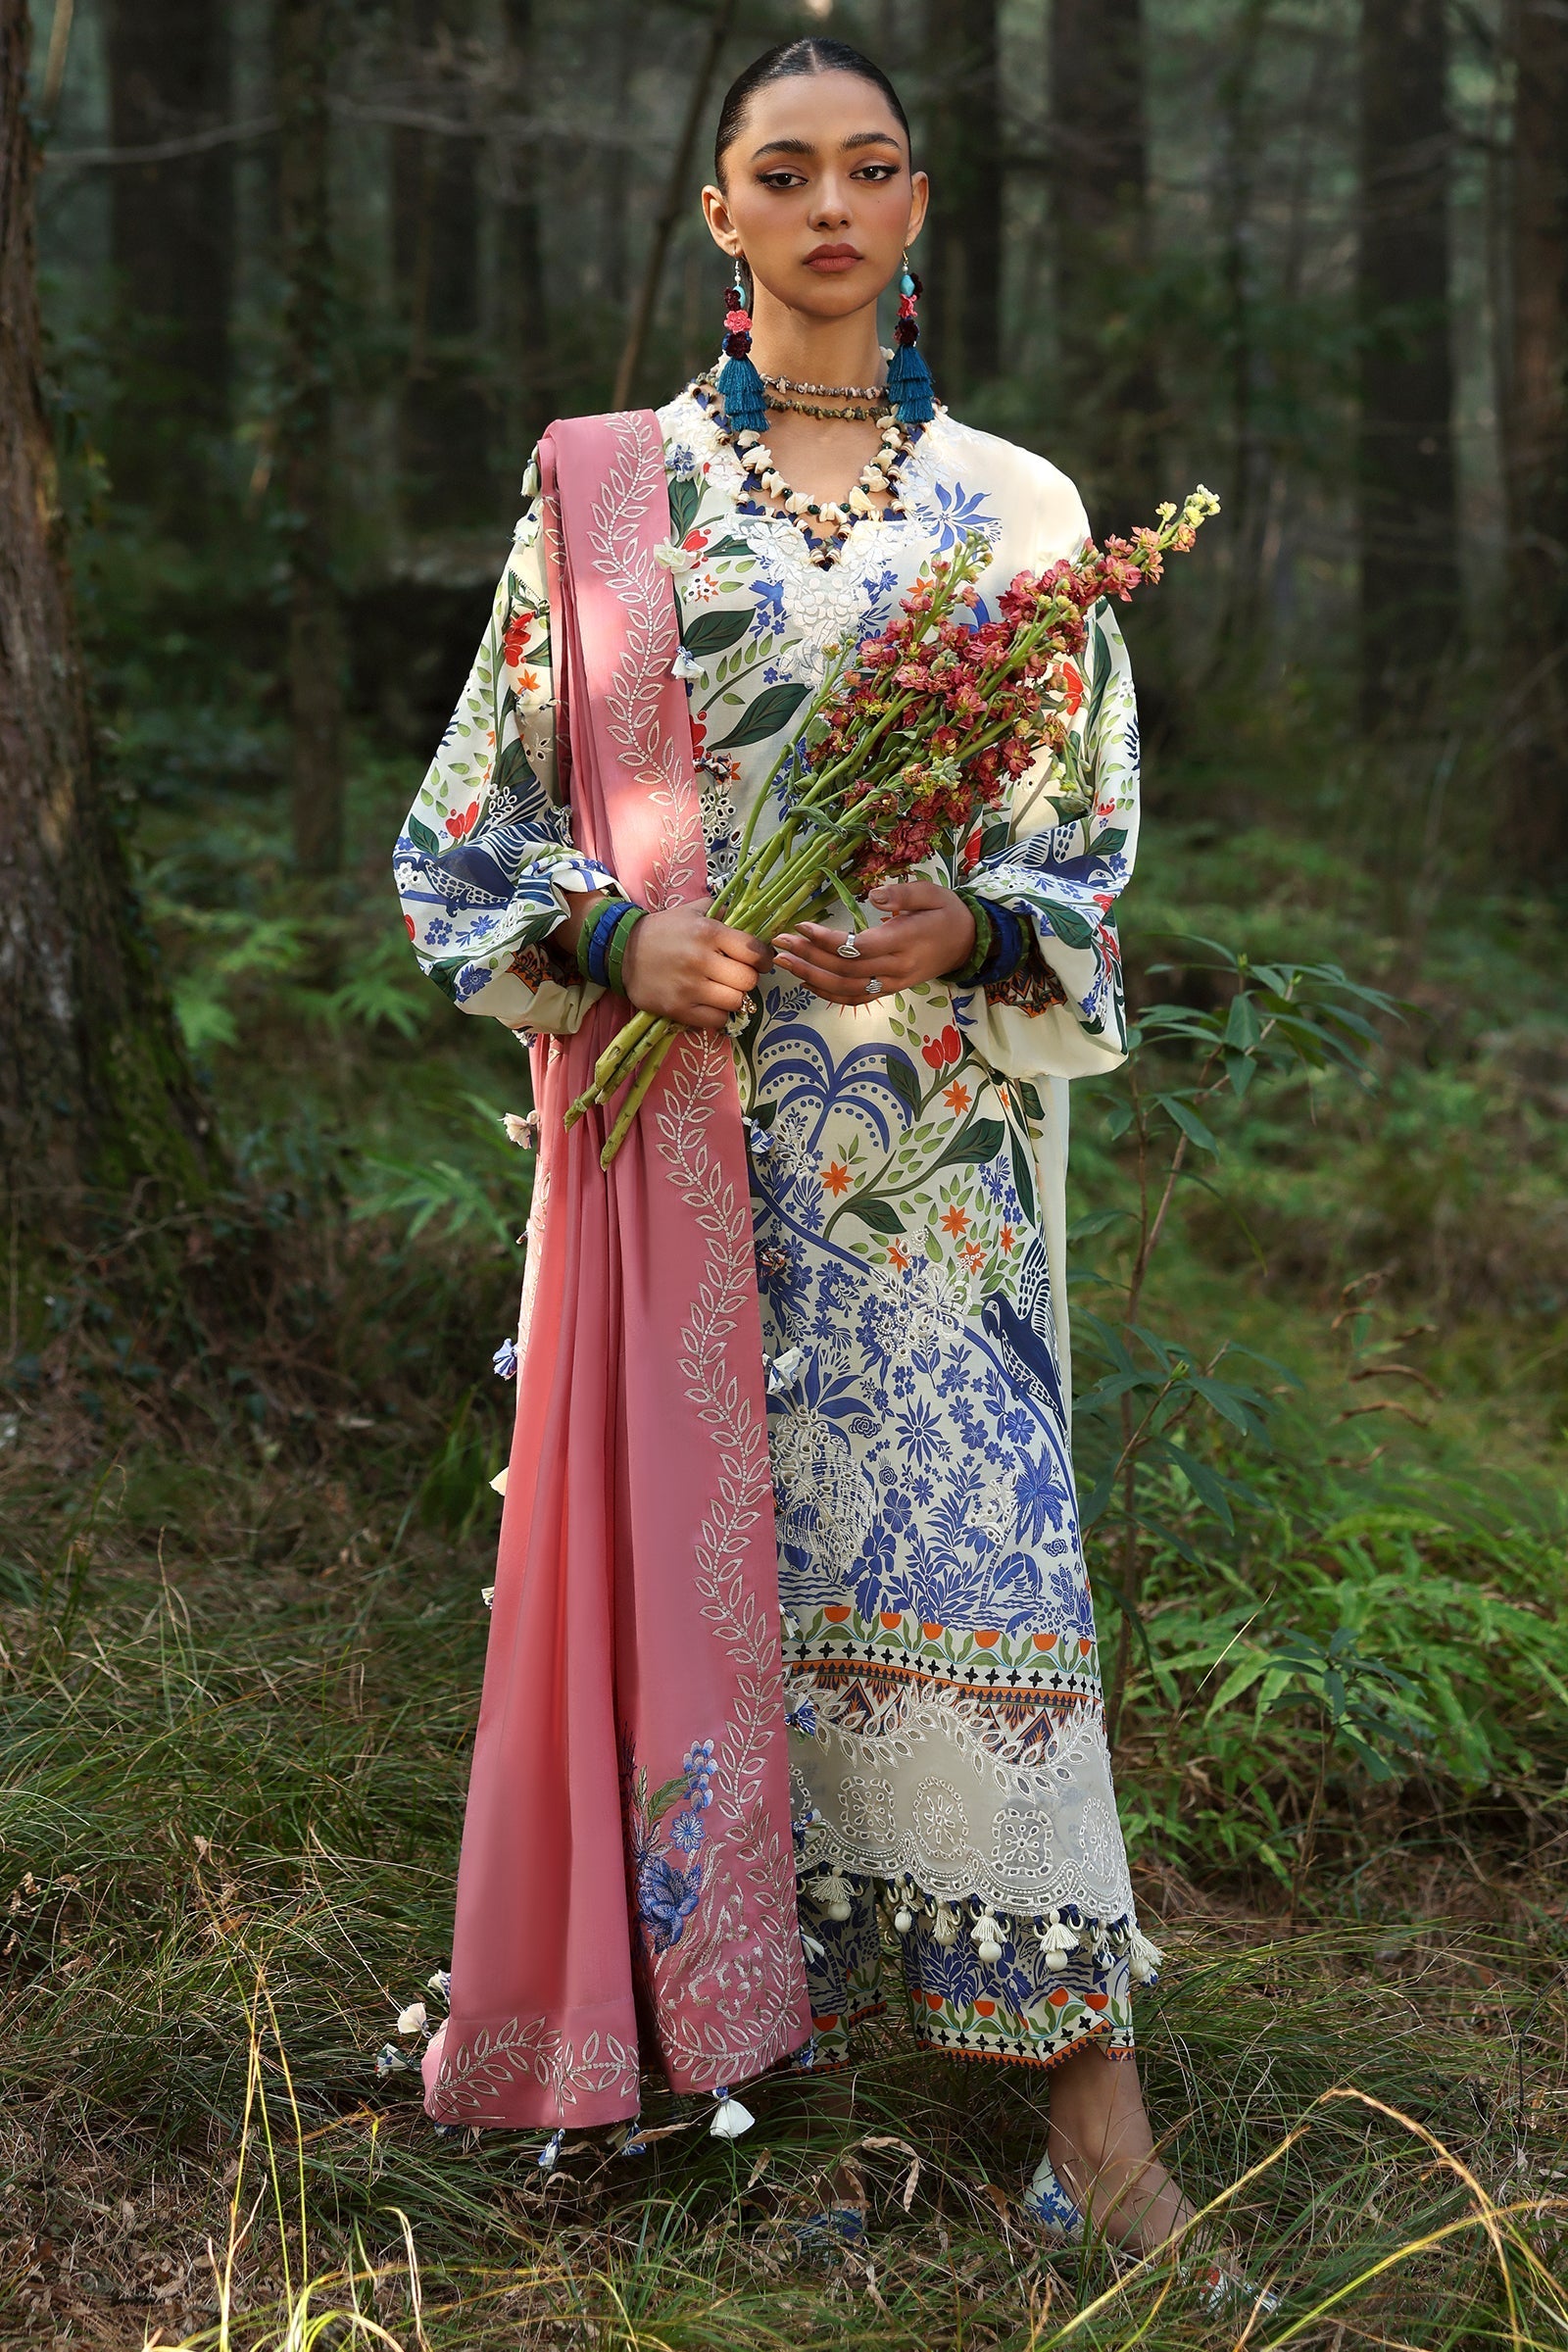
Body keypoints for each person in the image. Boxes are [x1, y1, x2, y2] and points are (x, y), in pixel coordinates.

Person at [394, 33, 1196, 2261]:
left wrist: (975, 924)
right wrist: (620, 939)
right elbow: (461, 835)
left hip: (926, 1184)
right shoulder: (609, 494)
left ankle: (1097, 2138)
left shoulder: (1019, 512)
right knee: (721, 1615)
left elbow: (1085, 851)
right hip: (678, 1169)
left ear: (916, 203)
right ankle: (756, 2096)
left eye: (869, 166)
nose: (828, 206)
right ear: (721, 212)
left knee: (988, 1605)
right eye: (782, 170)